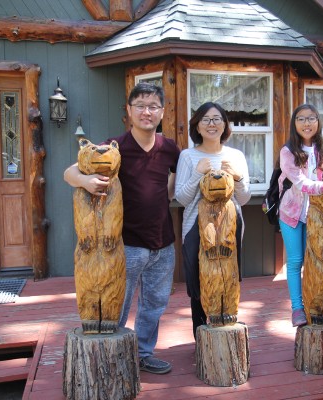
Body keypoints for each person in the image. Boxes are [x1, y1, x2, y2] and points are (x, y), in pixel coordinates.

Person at [64, 83, 180, 374]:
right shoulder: (114, 146)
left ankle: (143, 354)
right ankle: (111, 359)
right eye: (140, 105)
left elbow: (180, 175)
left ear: (162, 112)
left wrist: (167, 193)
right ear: (129, 110)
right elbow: (70, 172)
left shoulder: (169, 148)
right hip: (126, 244)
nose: (146, 112)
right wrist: (85, 181)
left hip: (163, 242)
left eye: (153, 106)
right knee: (117, 303)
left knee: (154, 305)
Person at [175, 102, 251, 339]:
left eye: (217, 119)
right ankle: (201, 336)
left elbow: (244, 198)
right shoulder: (188, 156)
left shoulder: (235, 156)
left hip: (230, 226)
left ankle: (227, 326)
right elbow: (182, 198)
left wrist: (237, 177)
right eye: (206, 119)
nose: (212, 124)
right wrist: (198, 173)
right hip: (196, 226)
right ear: (197, 125)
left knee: (227, 273)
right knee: (199, 278)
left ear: (225, 125)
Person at [278, 103, 323, 327]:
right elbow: (303, 184)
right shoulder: (288, 152)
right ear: (294, 123)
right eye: (301, 118)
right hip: (291, 213)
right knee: (296, 260)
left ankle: (315, 303)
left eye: (311, 118)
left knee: (316, 259)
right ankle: (297, 308)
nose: (306, 123)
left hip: (318, 215)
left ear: (318, 122)